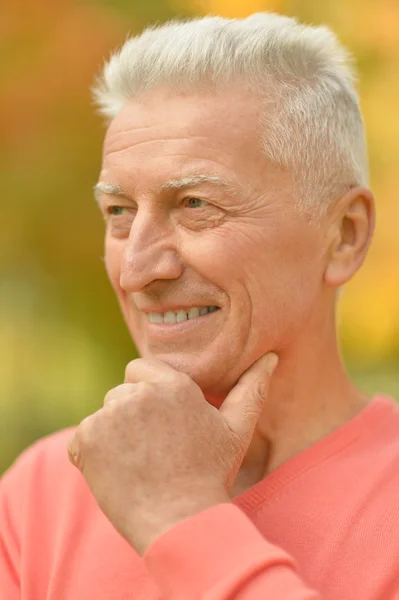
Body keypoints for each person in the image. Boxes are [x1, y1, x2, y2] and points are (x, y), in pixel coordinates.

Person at [1, 11, 398, 600]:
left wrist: (179, 518)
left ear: (343, 234)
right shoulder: (41, 492)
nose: (137, 270)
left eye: (194, 204)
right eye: (119, 213)